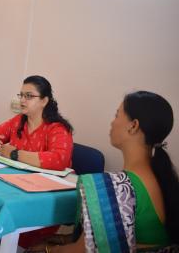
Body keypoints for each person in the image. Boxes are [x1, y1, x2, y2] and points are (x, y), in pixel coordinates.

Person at [53, 91, 179, 252]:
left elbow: (84, 250)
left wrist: (48, 249)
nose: (112, 123)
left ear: (133, 126)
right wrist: (61, 240)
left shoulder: (119, 187)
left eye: (117, 115)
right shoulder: (161, 179)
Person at [0, 75, 74, 250]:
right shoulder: (18, 121)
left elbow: (59, 159)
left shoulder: (57, 128)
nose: (22, 100)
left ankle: (9, 244)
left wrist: (14, 154)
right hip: (14, 183)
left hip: (40, 193)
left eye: (29, 96)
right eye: (21, 95)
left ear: (44, 100)